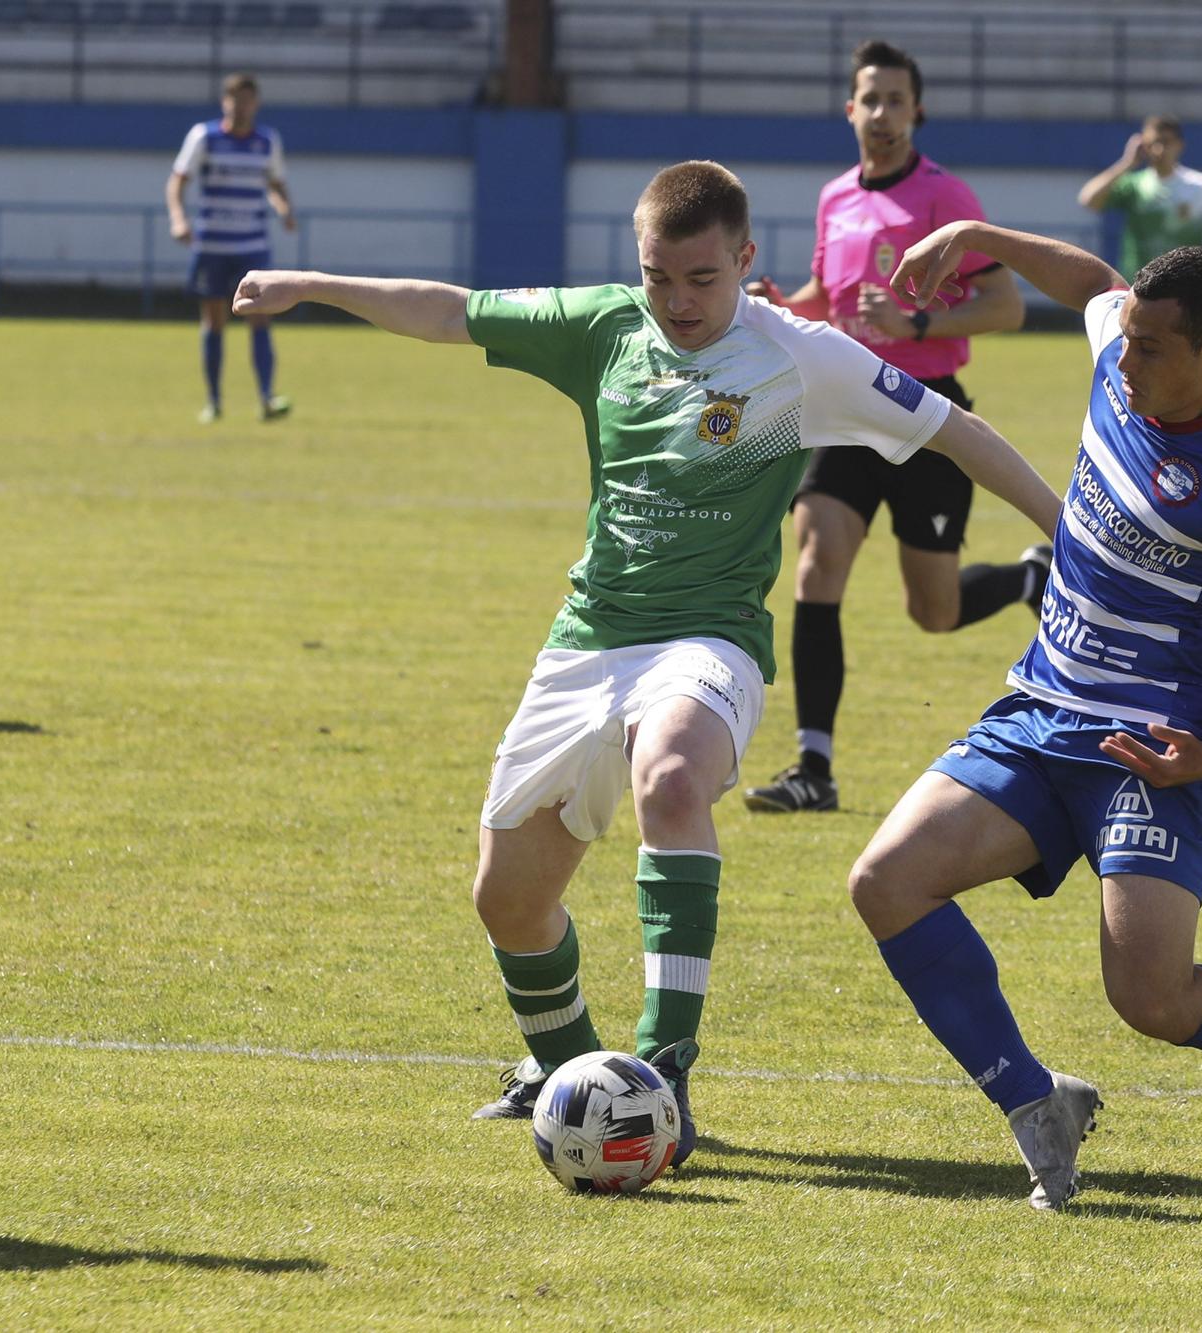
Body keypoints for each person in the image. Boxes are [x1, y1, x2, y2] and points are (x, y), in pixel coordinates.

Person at [230, 161, 1061, 1162]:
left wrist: (1070, 532)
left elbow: (956, 431)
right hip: (586, 640)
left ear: (746, 262)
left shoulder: (803, 358)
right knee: (508, 899)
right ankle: (570, 1075)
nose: (677, 302)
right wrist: (307, 283)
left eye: (701, 280)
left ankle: (663, 1073)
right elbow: (449, 311)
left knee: (671, 779)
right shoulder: (605, 327)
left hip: (709, 641)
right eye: (659, 277)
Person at [847, 222, 1202, 1210]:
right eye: (1124, 340)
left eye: (1150, 348)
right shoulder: (1119, 346)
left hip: (1149, 750)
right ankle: (1032, 1101)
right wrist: (976, 237)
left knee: (1149, 997)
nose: (1123, 358)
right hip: (1039, 712)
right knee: (885, 881)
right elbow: (1091, 282)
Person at [742, 39, 1046, 816]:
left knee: (933, 610)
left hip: (930, 413)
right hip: (845, 409)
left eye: (896, 100)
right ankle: (814, 767)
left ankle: (1027, 579)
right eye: (868, 99)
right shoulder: (836, 196)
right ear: (850, 109)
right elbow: (829, 294)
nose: (881, 113)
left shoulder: (947, 199)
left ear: (917, 112)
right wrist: (794, 305)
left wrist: (914, 321)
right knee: (815, 563)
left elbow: (1006, 307)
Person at [166, 72, 296, 424]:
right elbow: (177, 182)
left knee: (261, 316)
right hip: (212, 245)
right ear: (225, 101)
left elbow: (275, 184)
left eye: (247, 100)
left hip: (252, 247)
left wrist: (283, 207)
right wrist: (178, 219)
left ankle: (267, 398)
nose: (240, 106)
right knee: (214, 319)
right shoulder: (204, 137)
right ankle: (214, 400)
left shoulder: (267, 141)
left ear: (256, 103)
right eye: (234, 99)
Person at [1077, 115, 1202, 280]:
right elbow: (1088, 199)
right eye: (1151, 144)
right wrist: (1127, 163)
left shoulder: (1200, 185)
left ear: (1180, 145)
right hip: (1138, 285)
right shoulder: (1134, 184)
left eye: (1166, 142)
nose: (1158, 150)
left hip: (1185, 287)